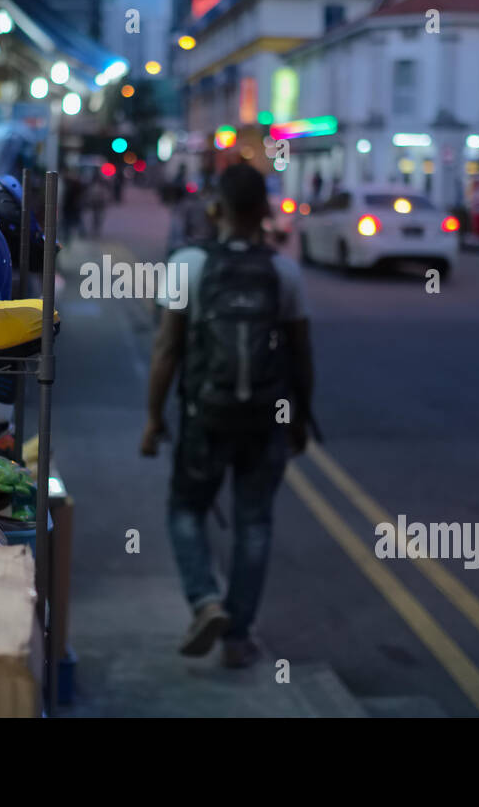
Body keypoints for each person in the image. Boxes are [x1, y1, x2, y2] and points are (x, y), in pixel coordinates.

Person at [140, 162, 315, 669]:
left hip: (205, 416)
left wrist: (154, 418)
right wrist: (300, 418)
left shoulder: (187, 265)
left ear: (216, 209)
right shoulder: (284, 272)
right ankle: (237, 639)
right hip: (266, 420)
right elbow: (302, 357)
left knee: (185, 509)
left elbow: (166, 350)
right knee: (254, 521)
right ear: (264, 210)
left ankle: (204, 599)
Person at [61, 169, 86, 243]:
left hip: (71, 207)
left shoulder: (71, 186)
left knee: (69, 222)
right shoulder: (74, 185)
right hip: (72, 207)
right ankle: (68, 236)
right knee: (74, 221)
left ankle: (67, 237)